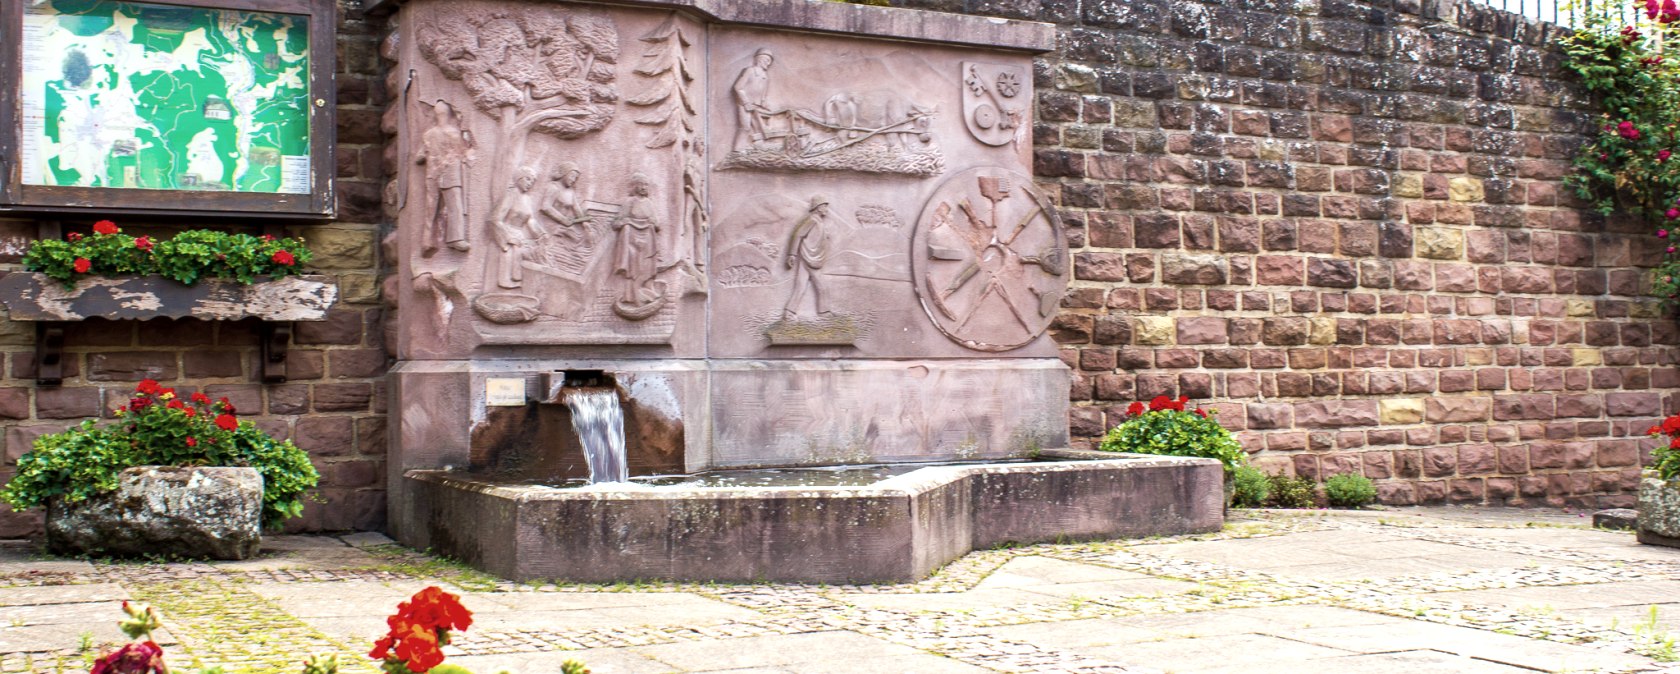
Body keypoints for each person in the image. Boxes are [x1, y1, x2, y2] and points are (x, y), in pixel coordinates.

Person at [415, 100, 472, 256]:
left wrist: (431, 155)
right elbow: (463, 152)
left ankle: (427, 241)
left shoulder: (428, 134)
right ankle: (455, 239)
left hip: (433, 174)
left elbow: (419, 157)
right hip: (449, 174)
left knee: (431, 209)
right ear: (448, 115)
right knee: (455, 206)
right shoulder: (454, 133)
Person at [490, 167, 542, 289]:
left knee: (532, 253)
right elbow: (495, 219)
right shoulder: (510, 195)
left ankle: (519, 279)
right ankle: (505, 281)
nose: (530, 183)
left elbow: (530, 220)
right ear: (519, 178)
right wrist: (508, 237)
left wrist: (541, 234)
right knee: (509, 253)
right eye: (528, 179)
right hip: (507, 234)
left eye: (532, 181)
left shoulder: (527, 199)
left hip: (520, 235)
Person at [613, 173, 660, 305]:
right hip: (631, 239)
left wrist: (653, 222)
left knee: (648, 265)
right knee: (634, 266)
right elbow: (616, 223)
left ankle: (648, 288)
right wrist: (627, 222)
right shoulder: (629, 202)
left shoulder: (649, 203)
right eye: (641, 184)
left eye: (646, 185)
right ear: (635, 186)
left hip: (648, 239)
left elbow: (657, 224)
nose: (644, 187)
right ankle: (631, 295)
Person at [783, 195, 834, 319]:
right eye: (824, 206)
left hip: (810, 257)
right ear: (818, 207)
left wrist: (825, 236)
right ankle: (824, 312)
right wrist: (792, 254)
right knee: (822, 286)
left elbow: (815, 236)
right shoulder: (812, 220)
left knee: (801, 285)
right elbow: (798, 235)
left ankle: (789, 312)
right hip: (810, 258)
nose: (826, 209)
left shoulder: (818, 221)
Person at [731, 49, 774, 152]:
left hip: (756, 106)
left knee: (758, 128)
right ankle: (737, 149)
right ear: (760, 59)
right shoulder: (750, 71)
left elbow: (763, 96)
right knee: (745, 126)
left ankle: (755, 147)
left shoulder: (765, 77)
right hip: (744, 104)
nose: (768, 64)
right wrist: (746, 102)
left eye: (769, 61)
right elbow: (738, 87)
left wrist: (765, 105)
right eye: (767, 60)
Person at [539, 162, 591, 246]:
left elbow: (576, 208)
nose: (573, 180)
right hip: (551, 224)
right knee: (575, 238)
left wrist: (584, 222)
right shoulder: (554, 187)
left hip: (565, 225)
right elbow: (545, 207)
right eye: (572, 176)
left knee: (581, 237)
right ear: (564, 173)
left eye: (576, 178)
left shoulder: (570, 191)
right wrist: (563, 219)